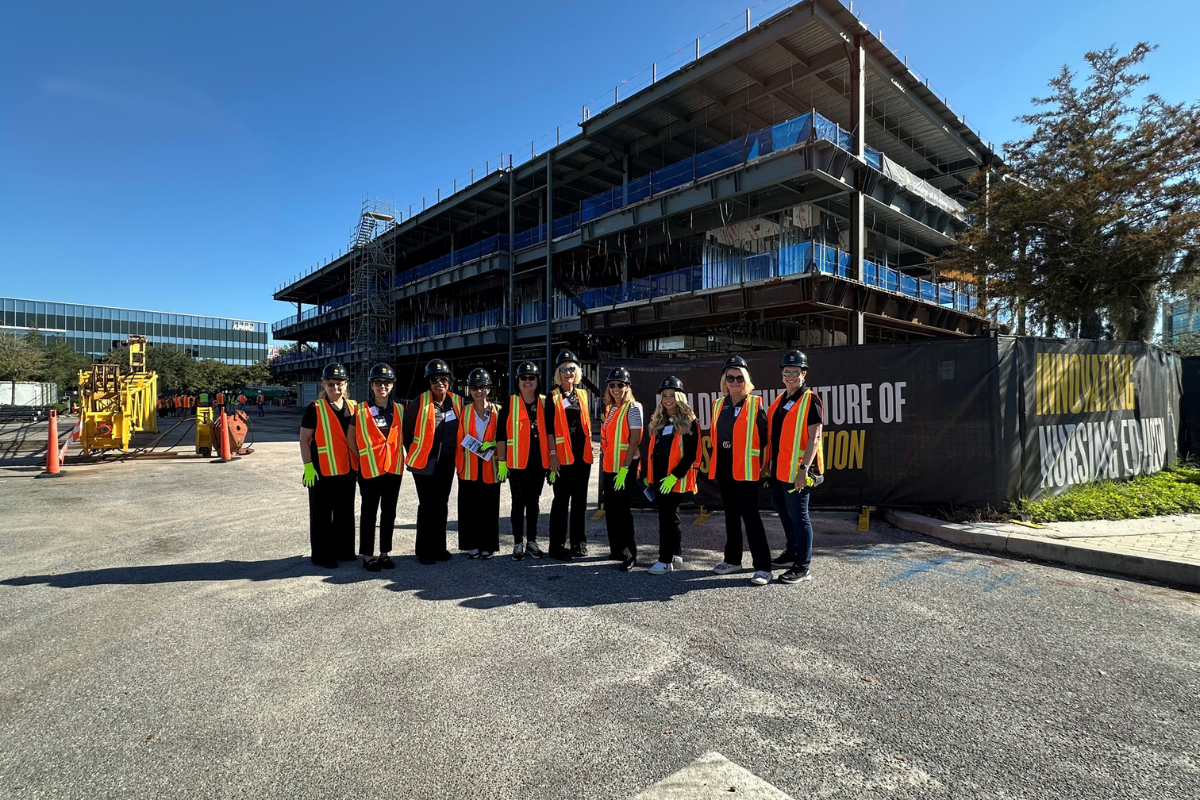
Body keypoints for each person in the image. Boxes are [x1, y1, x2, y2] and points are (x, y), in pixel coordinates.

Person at [709, 355, 772, 585]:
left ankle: (764, 567)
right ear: (724, 380)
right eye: (730, 377)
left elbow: (765, 439)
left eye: (739, 377)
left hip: (746, 469)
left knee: (751, 516)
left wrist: (763, 467)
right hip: (725, 467)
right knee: (731, 515)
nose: (735, 381)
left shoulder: (755, 404)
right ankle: (733, 559)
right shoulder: (718, 405)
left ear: (746, 380)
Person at [766, 350, 825, 584]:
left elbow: (814, 437)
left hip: (798, 471)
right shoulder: (781, 400)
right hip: (780, 469)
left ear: (804, 374)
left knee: (799, 516)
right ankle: (792, 553)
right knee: (782, 510)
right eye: (787, 372)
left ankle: (803, 567)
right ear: (782, 374)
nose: (791, 376)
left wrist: (803, 470)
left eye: (796, 372)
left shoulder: (810, 400)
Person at [299, 363, 359, 569]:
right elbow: (304, 439)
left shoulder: (354, 407)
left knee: (345, 513)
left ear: (345, 384)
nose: (335, 389)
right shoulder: (315, 408)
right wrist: (308, 466)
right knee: (322, 515)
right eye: (331, 384)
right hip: (321, 471)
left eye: (339, 384)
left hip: (348, 470)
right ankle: (322, 555)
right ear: (324, 385)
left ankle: (344, 550)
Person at [403, 358, 463, 565]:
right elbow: (406, 432)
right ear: (429, 382)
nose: (440, 383)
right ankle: (424, 550)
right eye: (435, 380)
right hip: (425, 463)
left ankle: (439, 547)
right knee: (427, 505)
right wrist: (415, 452)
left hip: (447, 461)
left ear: (449, 381)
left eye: (444, 379)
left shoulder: (456, 401)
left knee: (442, 504)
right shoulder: (419, 402)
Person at [644, 376, 700, 575]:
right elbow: (654, 451)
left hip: (674, 479)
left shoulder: (689, 422)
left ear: (680, 397)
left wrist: (674, 476)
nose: (668, 399)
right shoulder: (660, 419)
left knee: (666, 519)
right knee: (672, 516)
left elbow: (691, 455)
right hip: (659, 478)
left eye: (672, 395)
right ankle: (675, 552)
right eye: (664, 395)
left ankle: (665, 560)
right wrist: (648, 474)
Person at [497, 361, 549, 561]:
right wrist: (502, 461)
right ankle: (518, 542)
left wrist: (552, 459)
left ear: (538, 380)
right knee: (518, 502)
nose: (528, 381)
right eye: (523, 378)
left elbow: (552, 431)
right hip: (517, 463)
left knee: (533, 502)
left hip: (538, 463)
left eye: (531, 378)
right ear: (517, 381)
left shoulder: (545, 403)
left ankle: (532, 542)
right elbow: (501, 434)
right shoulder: (509, 404)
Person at [355, 363, 404, 572]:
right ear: (371, 385)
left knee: (389, 512)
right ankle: (368, 555)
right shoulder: (360, 409)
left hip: (393, 469)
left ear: (392, 385)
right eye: (378, 382)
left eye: (386, 382)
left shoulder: (400, 409)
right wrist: (365, 456)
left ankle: (385, 553)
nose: (382, 386)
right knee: (369, 512)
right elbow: (351, 439)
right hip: (370, 470)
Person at [546, 350, 593, 561]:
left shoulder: (582, 394)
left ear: (577, 372)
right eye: (563, 369)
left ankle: (578, 544)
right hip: (563, 457)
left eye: (571, 368)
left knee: (580, 501)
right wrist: (553, 455)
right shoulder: (552, 397)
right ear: (558, 373)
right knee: (561, 501)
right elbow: (549, 429)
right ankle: (556, 546)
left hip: (582, 456)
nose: (568, 372)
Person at [599, 367, 643, 571]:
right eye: (612, 385)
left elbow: (634, 441)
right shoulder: (610, 409)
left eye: (620, 385)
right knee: (612, 509)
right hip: (609, 467)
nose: (616, 388)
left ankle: (630, 554)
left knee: (623, 511)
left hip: (624, 467)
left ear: (628, 387)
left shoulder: (633, 407)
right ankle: (616, 549)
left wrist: (625, 468)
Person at [457, 368, 502, 559]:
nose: (478, 391)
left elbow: (504, 438)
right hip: (468, 466)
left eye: (482, 387)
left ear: (488, 389)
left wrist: (500, 456)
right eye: (474, 387)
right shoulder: (464, 411)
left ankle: (488, 545)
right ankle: (472, 544)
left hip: (490, 466)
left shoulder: (498, 411)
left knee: (489, 507)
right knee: (470, 508)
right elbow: (458, 437)